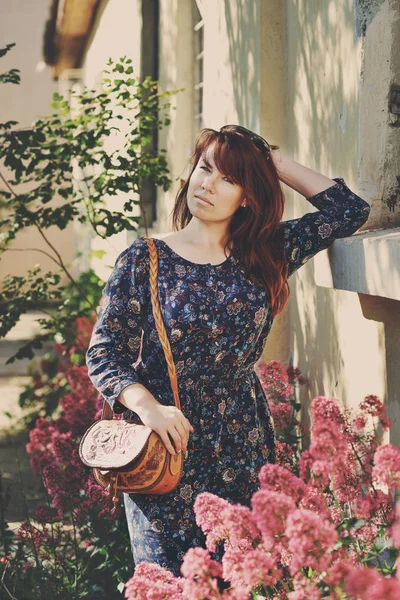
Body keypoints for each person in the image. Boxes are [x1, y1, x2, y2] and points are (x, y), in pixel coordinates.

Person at [86, 124, 371, 577]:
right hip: (167, 441)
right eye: (204, 168)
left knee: (242, 576)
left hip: (243, 440)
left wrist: (266, 159)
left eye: (229, 178)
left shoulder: (267, 251)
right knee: (172, 581)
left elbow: (349, 210)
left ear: (248, 195)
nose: (207, 184)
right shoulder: (145, 259)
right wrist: (149, 408)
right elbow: (105, 354)